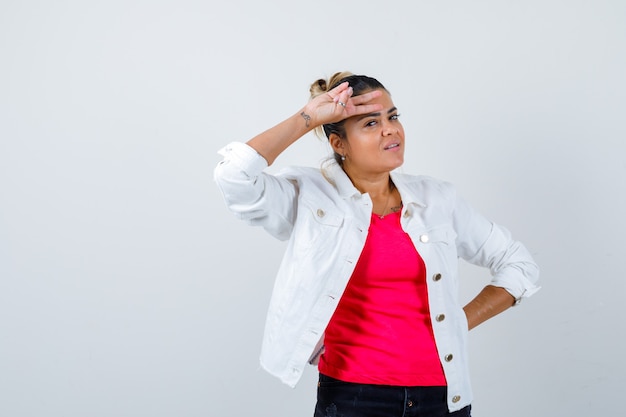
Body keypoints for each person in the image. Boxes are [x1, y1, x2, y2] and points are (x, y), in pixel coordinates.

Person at [214, 72, 540, 417]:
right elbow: (234, 178)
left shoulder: (438, 199)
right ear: (339, 144)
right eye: (370, 123)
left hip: (443, 396)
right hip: (354, 396)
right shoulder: (308, 194)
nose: (390, 130)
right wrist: (306, 118)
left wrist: (458, 322)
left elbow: (519, 265)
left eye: (393, 117)